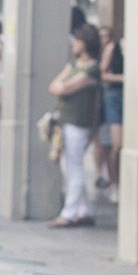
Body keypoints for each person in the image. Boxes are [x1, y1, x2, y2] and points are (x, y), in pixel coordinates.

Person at [45, 24, 102, 228]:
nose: (73, 45)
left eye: (77, 41)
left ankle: (69, 213)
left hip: (80, 122)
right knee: (66, 164)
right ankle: (84, 209)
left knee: (75, 165)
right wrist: (61, 88)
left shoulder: (93, 68)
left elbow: (65, 88)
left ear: (86, 43)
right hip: (65, 120)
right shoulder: (74, 64)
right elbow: (55, 86)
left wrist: (62, 88)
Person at [95, 24, 124, 201]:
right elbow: (102, 74)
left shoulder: (123, 47)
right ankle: (114, 182)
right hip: (112, 98)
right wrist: (123, 78)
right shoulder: (112, 49)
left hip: (124, 98)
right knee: (115, 144)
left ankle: (117, 182)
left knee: (117, 144)